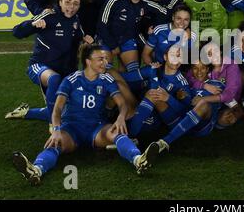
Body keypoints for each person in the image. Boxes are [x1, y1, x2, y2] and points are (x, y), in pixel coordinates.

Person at [11, 44, 156, 186]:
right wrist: (56, 130)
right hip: (72, 128)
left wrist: (120, 117)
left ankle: (139, 160)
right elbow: (56, 110)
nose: (105, 62)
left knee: (117, 132)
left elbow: (122, 104)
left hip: (97, 127)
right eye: (100, 59)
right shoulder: (71, 80)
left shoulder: (106, 79)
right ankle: (35, 170)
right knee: (55, 142)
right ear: (88, 61)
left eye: (105, 58)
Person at [6, 0, 93, 123]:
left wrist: (86, 41)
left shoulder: (76, 21)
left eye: (76, 4)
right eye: (67, 2)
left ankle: (26, 112)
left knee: (71, 111)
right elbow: (17, 32)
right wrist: (33, 24)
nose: (71, 7)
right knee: (54, 79)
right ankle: (54, 124)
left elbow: (79, 41)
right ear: (60, 2)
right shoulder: (48, 14)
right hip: (40, 66)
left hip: (65, 71)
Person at [140, 60, 228, 164]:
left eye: (203, 68)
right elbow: (184, 109)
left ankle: (163, 143)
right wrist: (174, 98)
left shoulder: (217, 84)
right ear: (191, 70)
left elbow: (229, 101)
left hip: (202, 125)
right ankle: (135, 136)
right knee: (157, 96)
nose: (199, 71)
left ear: (208, 69)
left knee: (203, 104)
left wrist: (206, 99)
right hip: (183, 119)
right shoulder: (187, 83)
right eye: (195, 68)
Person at [185, 41, 244, 128]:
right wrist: (204, 85)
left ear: (220, 51)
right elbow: (189, 77)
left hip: (229, 101)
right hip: (210, 96)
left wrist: (204, 99)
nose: (213, 55)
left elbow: (229, 95)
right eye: (209, 53)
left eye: (215, 51)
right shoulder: (205, 65)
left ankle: (238, 111)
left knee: (222, 120)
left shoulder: (231, 65)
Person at [96, 0, 148, 72]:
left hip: (126, 40)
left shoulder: (144, 2)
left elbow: (136, 29)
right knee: (104, 70)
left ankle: (123, 78)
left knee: (134, 71)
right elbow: (101, 26)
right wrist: (113, 45)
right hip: (107, 38)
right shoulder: (114, 0)